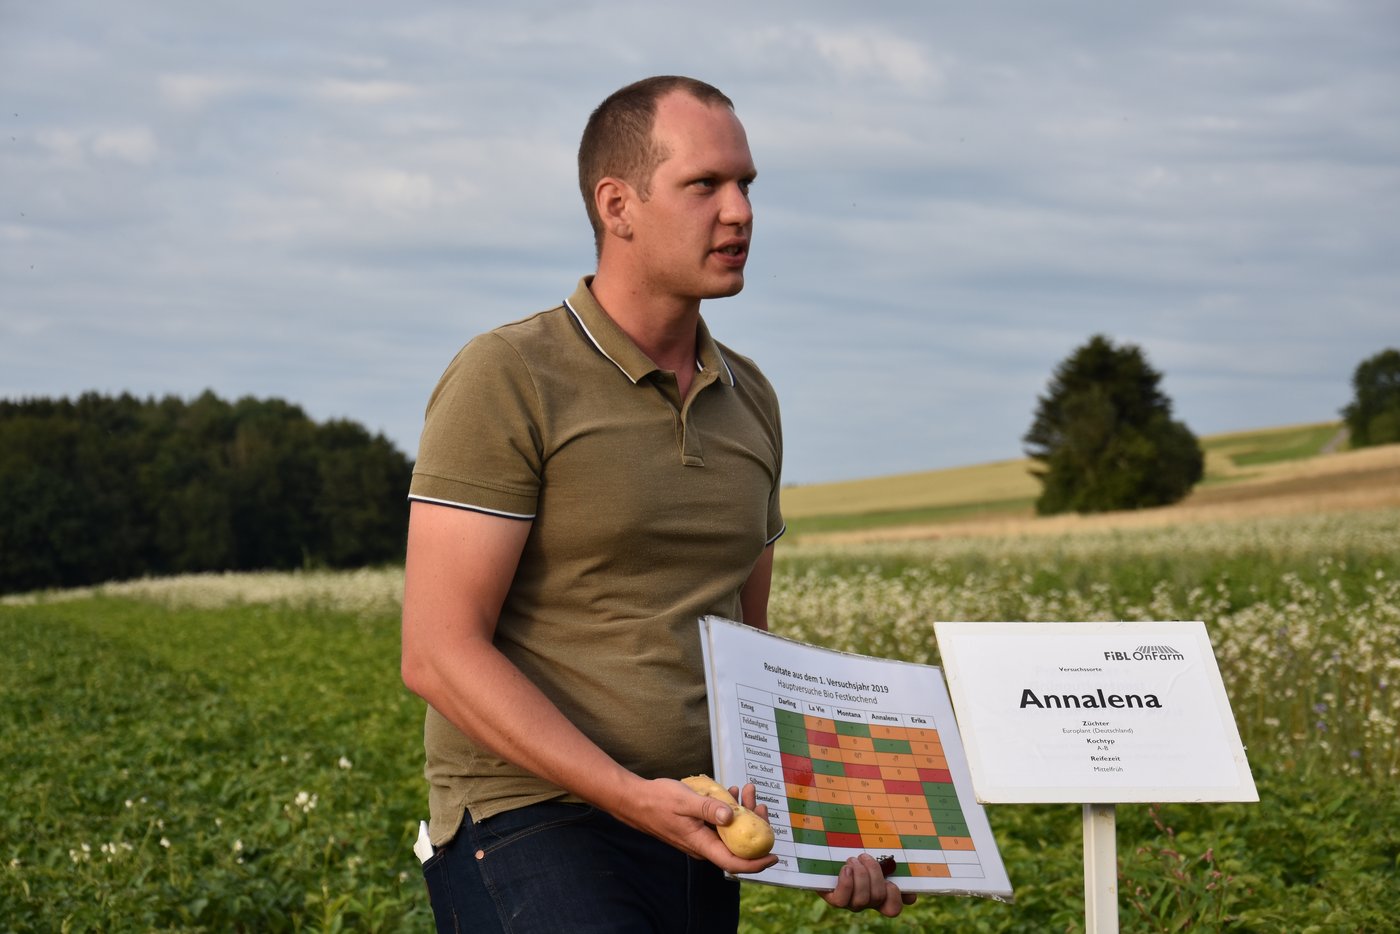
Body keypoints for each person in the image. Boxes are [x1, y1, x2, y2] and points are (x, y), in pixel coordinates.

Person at [401, 75, 915, 932]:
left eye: (747, 184)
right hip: (527, 818)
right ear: (618, 204)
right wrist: (632, 797)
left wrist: (832, 833)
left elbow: (745, 655)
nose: (740, 211)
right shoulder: (508, 376)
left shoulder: (752, 399)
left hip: (692, 825)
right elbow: (438, 652)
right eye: (705, 185)